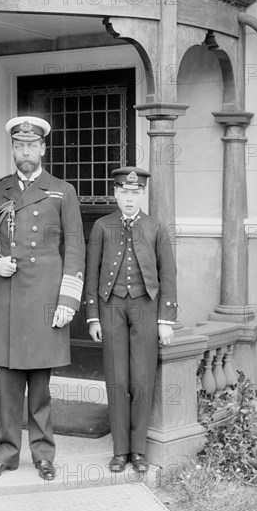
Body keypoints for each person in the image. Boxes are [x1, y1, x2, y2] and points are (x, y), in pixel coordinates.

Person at [0, 116, 85, 481]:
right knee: (6, 384)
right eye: (19, 146)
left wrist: (67, 300)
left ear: (42, 149)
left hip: (46, 297)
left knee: (40, 385)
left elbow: (76, 246)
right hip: (8, 296)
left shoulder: (62, 191)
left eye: (32, 146)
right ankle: (5, 455)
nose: (25, 152)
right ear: (14, 150)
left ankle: (43, 454)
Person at [84, 166, 177, 473]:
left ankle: (138, 451)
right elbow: (92, 274)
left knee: (141, 380)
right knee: (117, 379)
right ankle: (119, 450)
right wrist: (93, 317)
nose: (128, 198)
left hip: (145, 308)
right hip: (111, 308)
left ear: (142, 194)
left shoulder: (155, 228)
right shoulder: (101, 227)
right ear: (115, 193)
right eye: (123, 192)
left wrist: (165, 319)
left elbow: (168, 275)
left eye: (135, 193)